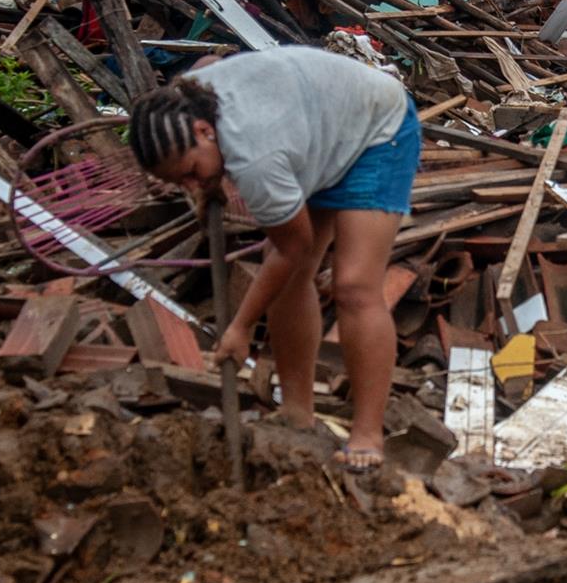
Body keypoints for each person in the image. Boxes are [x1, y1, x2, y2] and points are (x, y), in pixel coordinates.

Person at [127, 45, 421, 473]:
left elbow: (293, 246)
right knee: (290, 279)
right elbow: (210, 64)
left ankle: (368, 435)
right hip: (315, 134)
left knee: (354, 286)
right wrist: (206, 183)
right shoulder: (187, 97)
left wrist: (240, 327)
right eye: (180, 182)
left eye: (191, 172)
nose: (191, 186)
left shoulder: (255, 157)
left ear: (206, 132)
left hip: (376, 130)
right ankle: (297, 413)